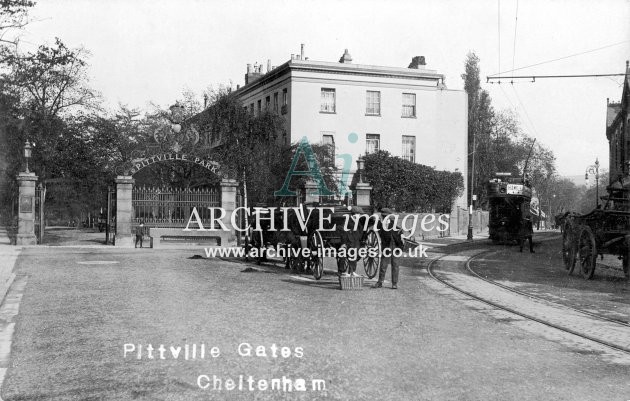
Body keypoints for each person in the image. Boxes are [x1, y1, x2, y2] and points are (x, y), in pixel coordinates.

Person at [372, 208, 403, 289]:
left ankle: (394, 283)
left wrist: (400, 232)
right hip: (386, 246)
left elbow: (398, 231)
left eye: (386, 216)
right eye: (383, 216)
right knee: (383, 265)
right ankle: (380, 282)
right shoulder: (379, 224)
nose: (385, 217)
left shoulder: (393, 223)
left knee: (395, 265)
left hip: (396, 246)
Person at [338, 206, 363, 277]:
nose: (360, 216)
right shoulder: (347, 221)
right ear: (354, 214)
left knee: (355, 254)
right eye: (359, 214)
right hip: (347, 242)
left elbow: (361, 233)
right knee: (343, 254)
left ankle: (352, 271)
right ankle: (341, 271)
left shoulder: (359, 222)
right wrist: (343, 243)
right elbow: (342, 232)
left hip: (355, 242)